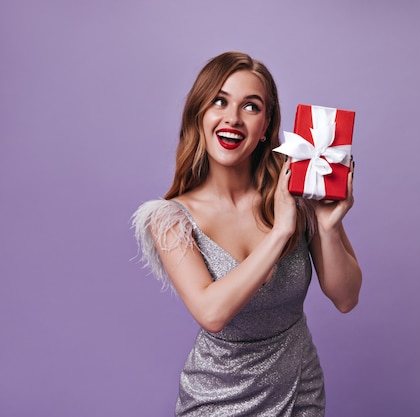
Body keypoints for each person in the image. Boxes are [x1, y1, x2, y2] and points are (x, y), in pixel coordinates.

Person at [131, 51, 362, 416]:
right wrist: (279, 233)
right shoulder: (169, 219)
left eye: (251, 107)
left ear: (267, 126)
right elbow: (212, 313)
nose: (233, 118)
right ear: (200, 114)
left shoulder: (296, 193)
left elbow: (346, 298)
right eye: (219, 101)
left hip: (299, 391)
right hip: (218, 399)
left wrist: (328, 227)